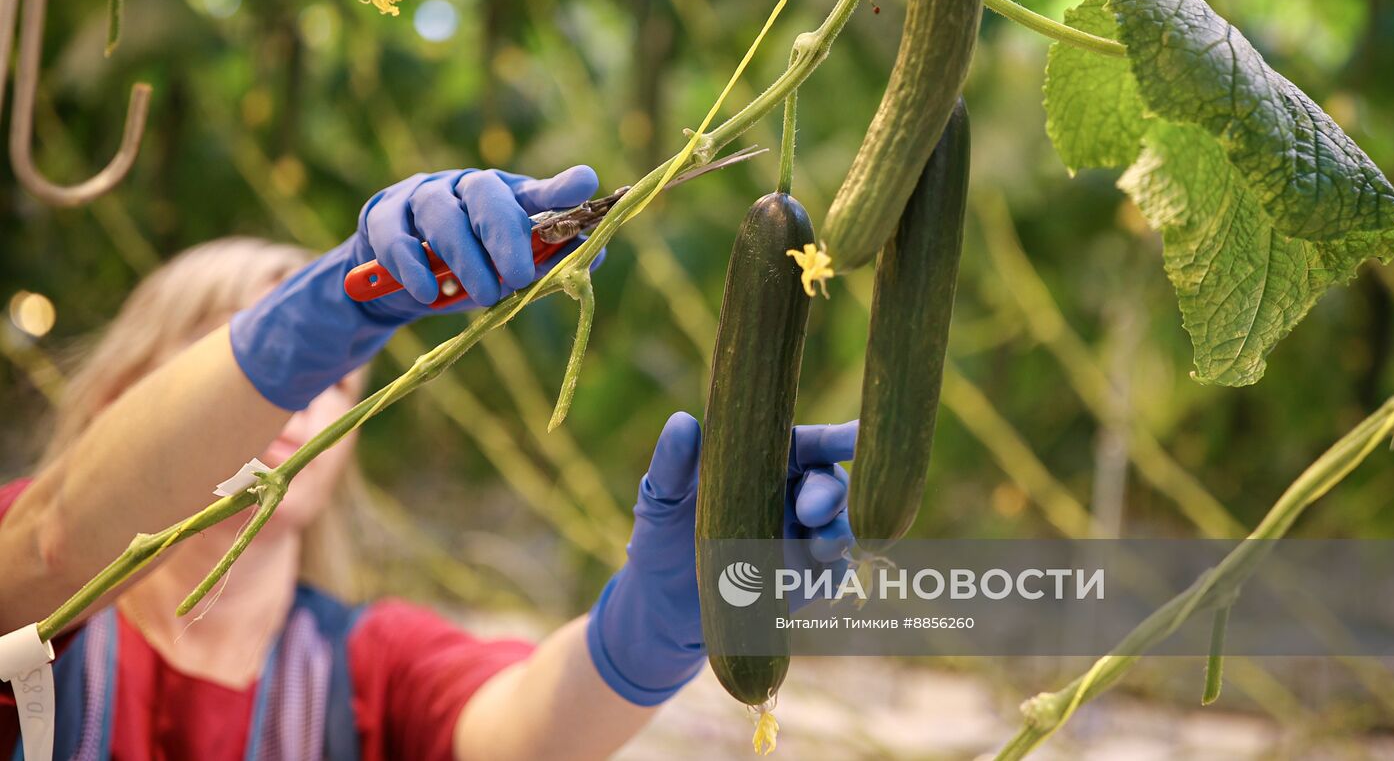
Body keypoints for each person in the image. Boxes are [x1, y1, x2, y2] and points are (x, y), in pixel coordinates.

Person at [0, 165, 856, 760]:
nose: (300, 402)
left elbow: (523, 734)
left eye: (335, 380)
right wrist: (327, 308)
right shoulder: (39, 592)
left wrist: (653, 628)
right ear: (121, 395)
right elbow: (58, 541)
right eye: (258, 376)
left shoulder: (371, 664)